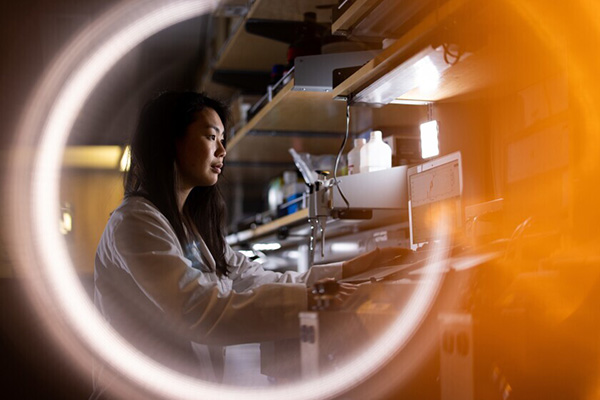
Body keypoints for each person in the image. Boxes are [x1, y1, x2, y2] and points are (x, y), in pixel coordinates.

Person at [91, 91, 404, 397]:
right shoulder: (134, 221)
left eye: (223, 139)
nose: (222, 150)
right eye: (211, 137)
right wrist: (316, 299)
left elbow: (259, 279)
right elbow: (199, 309)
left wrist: (354, 267)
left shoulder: (192, 229)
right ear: (171, 141)